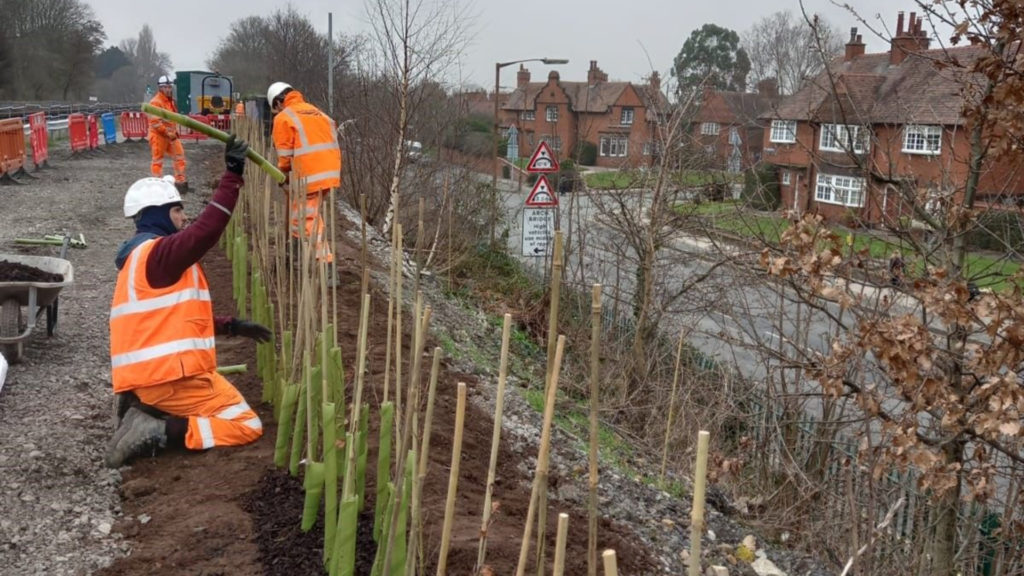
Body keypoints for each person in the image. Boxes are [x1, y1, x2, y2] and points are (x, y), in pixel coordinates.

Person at [105, 135, 270, 468]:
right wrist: (232, 176)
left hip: (151, 379)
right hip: (172, 381)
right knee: (245, 424)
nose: (183, 217)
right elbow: (206, 232)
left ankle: (143, 406)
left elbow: (173, 323)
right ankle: (160, 429)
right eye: (177, 210)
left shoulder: (141, 260)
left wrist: (232, 326)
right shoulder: (159, 254)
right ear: (159, 214)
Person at [267, 81, 342, 269]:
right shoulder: (318, 112)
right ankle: (295, 255)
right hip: (330, 171)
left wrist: (282, 174)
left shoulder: (284, 117)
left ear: (278, 102)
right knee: (300, 214)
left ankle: (327, 265)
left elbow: (284, 158)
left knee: (308, 218)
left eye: (275, 109)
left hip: (309, 174)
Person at [148, 75, 189, 193]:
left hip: (170, 135)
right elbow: (155, 122)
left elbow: (171, 119)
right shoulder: (156, 102)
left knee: (179, 156)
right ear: (160, 88)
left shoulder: (170, 101)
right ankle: (157, 184)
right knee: (157, 160)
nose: (168, 89)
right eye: (166, 87)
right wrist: (167, 132)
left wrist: (173, 132)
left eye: (169, 87)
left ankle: (180, 181)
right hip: (158, 135)